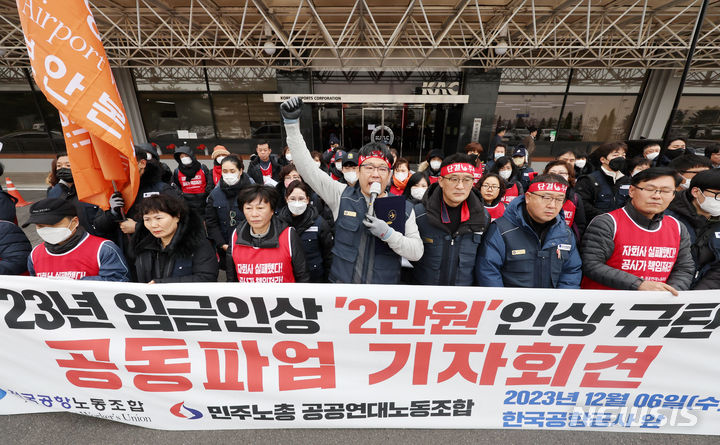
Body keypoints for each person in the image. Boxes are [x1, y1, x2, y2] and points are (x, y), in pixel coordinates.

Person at [280, 96, 423, 284]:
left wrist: (388, 234)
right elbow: (307, 168)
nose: (375, 174)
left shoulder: (404, 208)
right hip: (344, 294)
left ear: (389, 174)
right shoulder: (341, 195)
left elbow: (416, 252)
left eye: (382, 169)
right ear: (358, 170)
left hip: (383, 296)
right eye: (369, 167)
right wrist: (291, 125)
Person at [581, 167, 694, 294]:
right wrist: (639, 285)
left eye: (665, 191)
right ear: (632, 191)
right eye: (649, 189)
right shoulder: (607, 222)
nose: (657, 196)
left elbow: (684, 268)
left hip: (656, 306)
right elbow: (592, 264)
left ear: (673, 195)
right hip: (606, 306)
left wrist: (670, 292)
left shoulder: (677, 227)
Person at [476, 174, 582, 288]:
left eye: (559, 199)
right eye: (546, 198)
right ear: (528, 197)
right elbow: (488, 272)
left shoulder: (565, 233)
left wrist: (559, 302)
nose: (552, 205)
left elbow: (571, 272)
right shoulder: (501, 230)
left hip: (551, 304)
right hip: (512, 304)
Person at [413, 154, 490, 285]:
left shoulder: (483, 216)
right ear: (441, 181)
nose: (460, 186)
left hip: (463, 298)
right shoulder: (419, 214)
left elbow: (485, 263)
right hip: (425, 297)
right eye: (453, 179)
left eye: (467, 180)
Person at [94, 145, 182, 249]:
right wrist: (112, 213)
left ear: (142, 163)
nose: (122, 167)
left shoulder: (161, 189)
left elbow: (182, 221)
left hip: (158, 253)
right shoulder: (115, 190)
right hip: (128, 254)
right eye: (119, 163)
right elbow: (99, 226)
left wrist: (137, 227)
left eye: (126, 163)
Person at [25, 198, 129, 281]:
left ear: (74, 222)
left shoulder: (103, 249)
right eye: (40, 226)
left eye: (52, 224)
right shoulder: (35, 254)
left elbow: (118, 284)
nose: (47, 229)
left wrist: (75, 285)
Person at [226, 185, 309, 283]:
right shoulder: (235, 236)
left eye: (260, 208)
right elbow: (231, 280)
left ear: (272, 210)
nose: (254, 214)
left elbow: (302, 276)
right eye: (248, 208)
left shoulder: (288, 235)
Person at [129, 194, 218, 283]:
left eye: (159, 218)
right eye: (147, 220)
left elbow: (206, 278)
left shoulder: (197, 244)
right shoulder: (142, 247)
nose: (153, 225)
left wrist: (162, 284)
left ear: (177, 217)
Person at [665, 169, 720, 289]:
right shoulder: (666, 218)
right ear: (696, 192)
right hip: (665, 290)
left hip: (702, 295)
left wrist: (699, 295)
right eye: (718, 195)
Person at [277, 181, 333, 282]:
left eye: (301, 199)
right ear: (286, 199)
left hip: (315, 279)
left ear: (307, 199)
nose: (297, 203)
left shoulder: (319, 223)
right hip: (288, 280)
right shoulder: (279, 223)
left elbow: (328, 255)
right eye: (293, 199)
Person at [205, 155, 253, 268]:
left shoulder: (252, 192)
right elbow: (211, 222)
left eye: (232, 171)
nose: (228, 174)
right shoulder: (215, 195)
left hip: (250, 246)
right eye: (225, 171)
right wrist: (222, 244)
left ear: (240, 171)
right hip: (226, 247)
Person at [45, 153, 102, 236]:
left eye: (68, 165)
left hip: (94, 239)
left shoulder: (94, 189)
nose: (63, 169)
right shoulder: (53, 192)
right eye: (59, 166)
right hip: (67, 240)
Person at [575, 141, 631, 222]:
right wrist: (606, 217)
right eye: (615, 155)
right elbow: (582, 204)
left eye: (623, 155)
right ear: (603, 159)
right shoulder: (589, 180)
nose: (621, 158)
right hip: (595, 224)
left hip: (620, 224)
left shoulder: (627, 181)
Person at [544, 160, 586, 240]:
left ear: (569, 177)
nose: (557, 176)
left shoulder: (575, 198)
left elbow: (579, 226)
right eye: (553, 173)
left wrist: (571, 240)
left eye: (562, 173)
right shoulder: (536, 194)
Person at [171, 144, 213, 219]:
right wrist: (181, 195)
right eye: (182, 157)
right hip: (187, 201)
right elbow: (176, 185)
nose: (184, 158)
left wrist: (207, 192)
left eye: (186, 156)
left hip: (203, 200)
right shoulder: (177, 171)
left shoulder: (202, 168)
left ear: (191, 156)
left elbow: (209, 181)